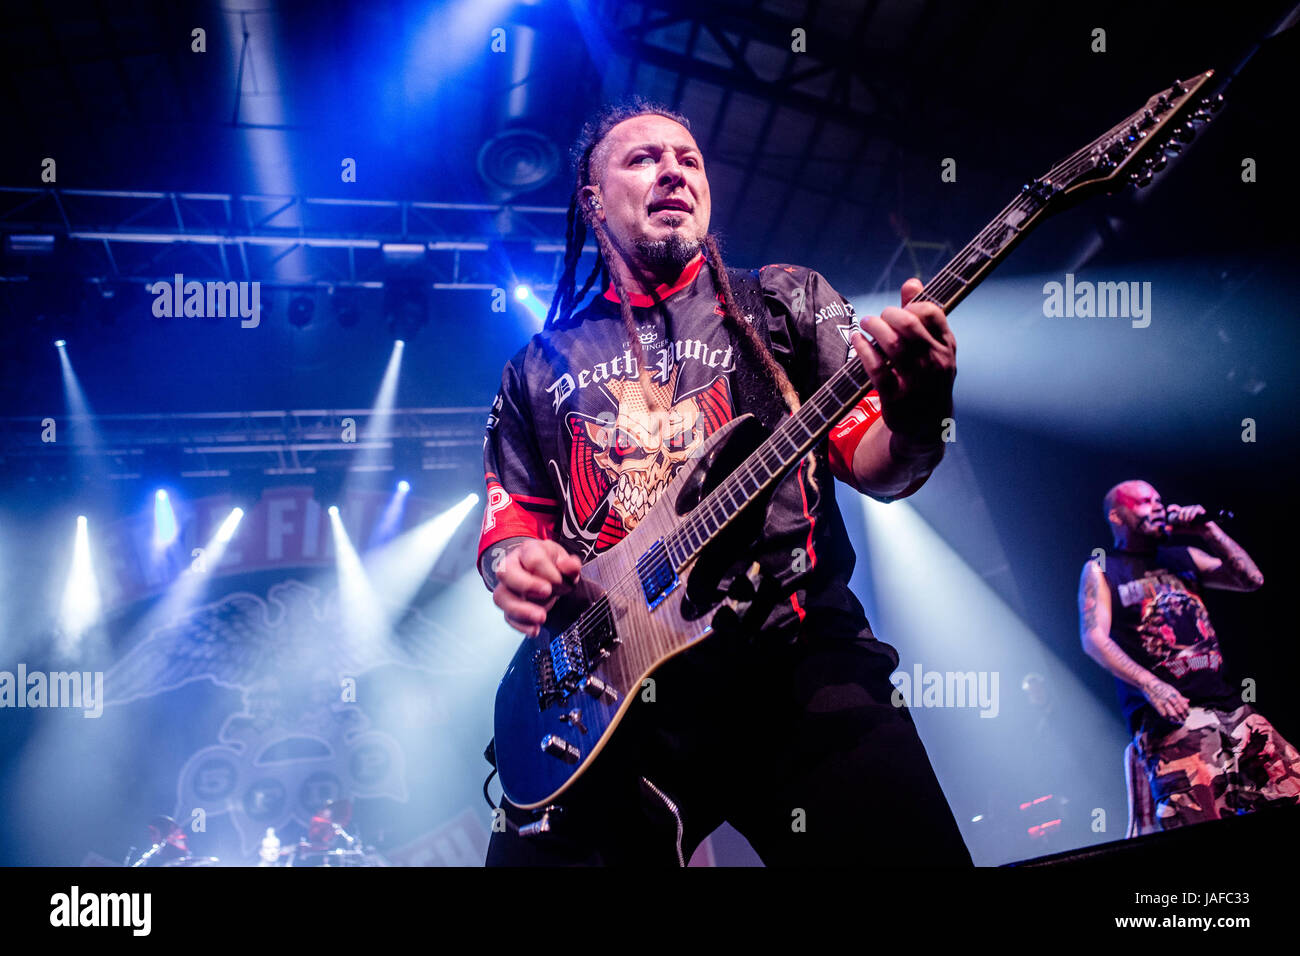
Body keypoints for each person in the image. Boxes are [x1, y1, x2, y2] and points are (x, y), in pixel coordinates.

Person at [477, 99, 970, 866]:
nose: (673, 169)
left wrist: (919, 412)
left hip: (797, 660)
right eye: (642, 158)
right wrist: (515, 567)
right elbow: (510, 528)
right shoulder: (539, 366)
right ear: (592, 201)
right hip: (613, 698)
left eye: (689, 158)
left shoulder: (785, 300)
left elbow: (881, 466)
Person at [1078, 479, 1300, 830]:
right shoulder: (1102, 570)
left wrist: (1206, 529)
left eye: (1158, 499)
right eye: (1144, 502)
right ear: (1117, 516)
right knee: (1198, 824)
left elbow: (1252, 579)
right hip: (1173, 720)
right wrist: (1152, 685)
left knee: (1291, 788)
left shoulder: (1183, 556)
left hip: (1230, 708)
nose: (1157, 506)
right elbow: (1093, 638)